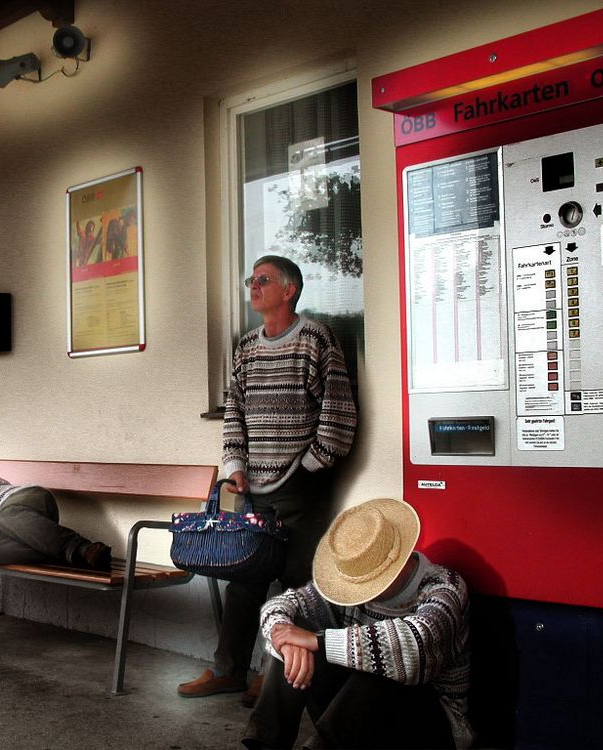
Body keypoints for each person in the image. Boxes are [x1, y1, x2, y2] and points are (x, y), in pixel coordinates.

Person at [178, 255, 357, 704]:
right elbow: (234, 411)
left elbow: (338, 411)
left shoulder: (316, 338)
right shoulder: (246, 347)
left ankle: (275, 679)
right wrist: (234, 464)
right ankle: (229, 670)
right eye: (251, 280)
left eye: (263, 280)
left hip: (302, 487)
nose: (253, 287)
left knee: (296, 586)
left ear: (289, 289)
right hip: (252, 487)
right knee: (245, 582)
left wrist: (313, 465)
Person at [242, 498, 473, 749]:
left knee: (382, 668)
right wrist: (284, 640)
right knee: (293, 631)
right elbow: (281, 606)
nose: (357, 592)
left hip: (430, 724)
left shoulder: (445, 587)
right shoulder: (348, 587)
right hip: (352, 718)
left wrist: (316, 641)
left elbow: (415, 646)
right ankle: (264, 743)